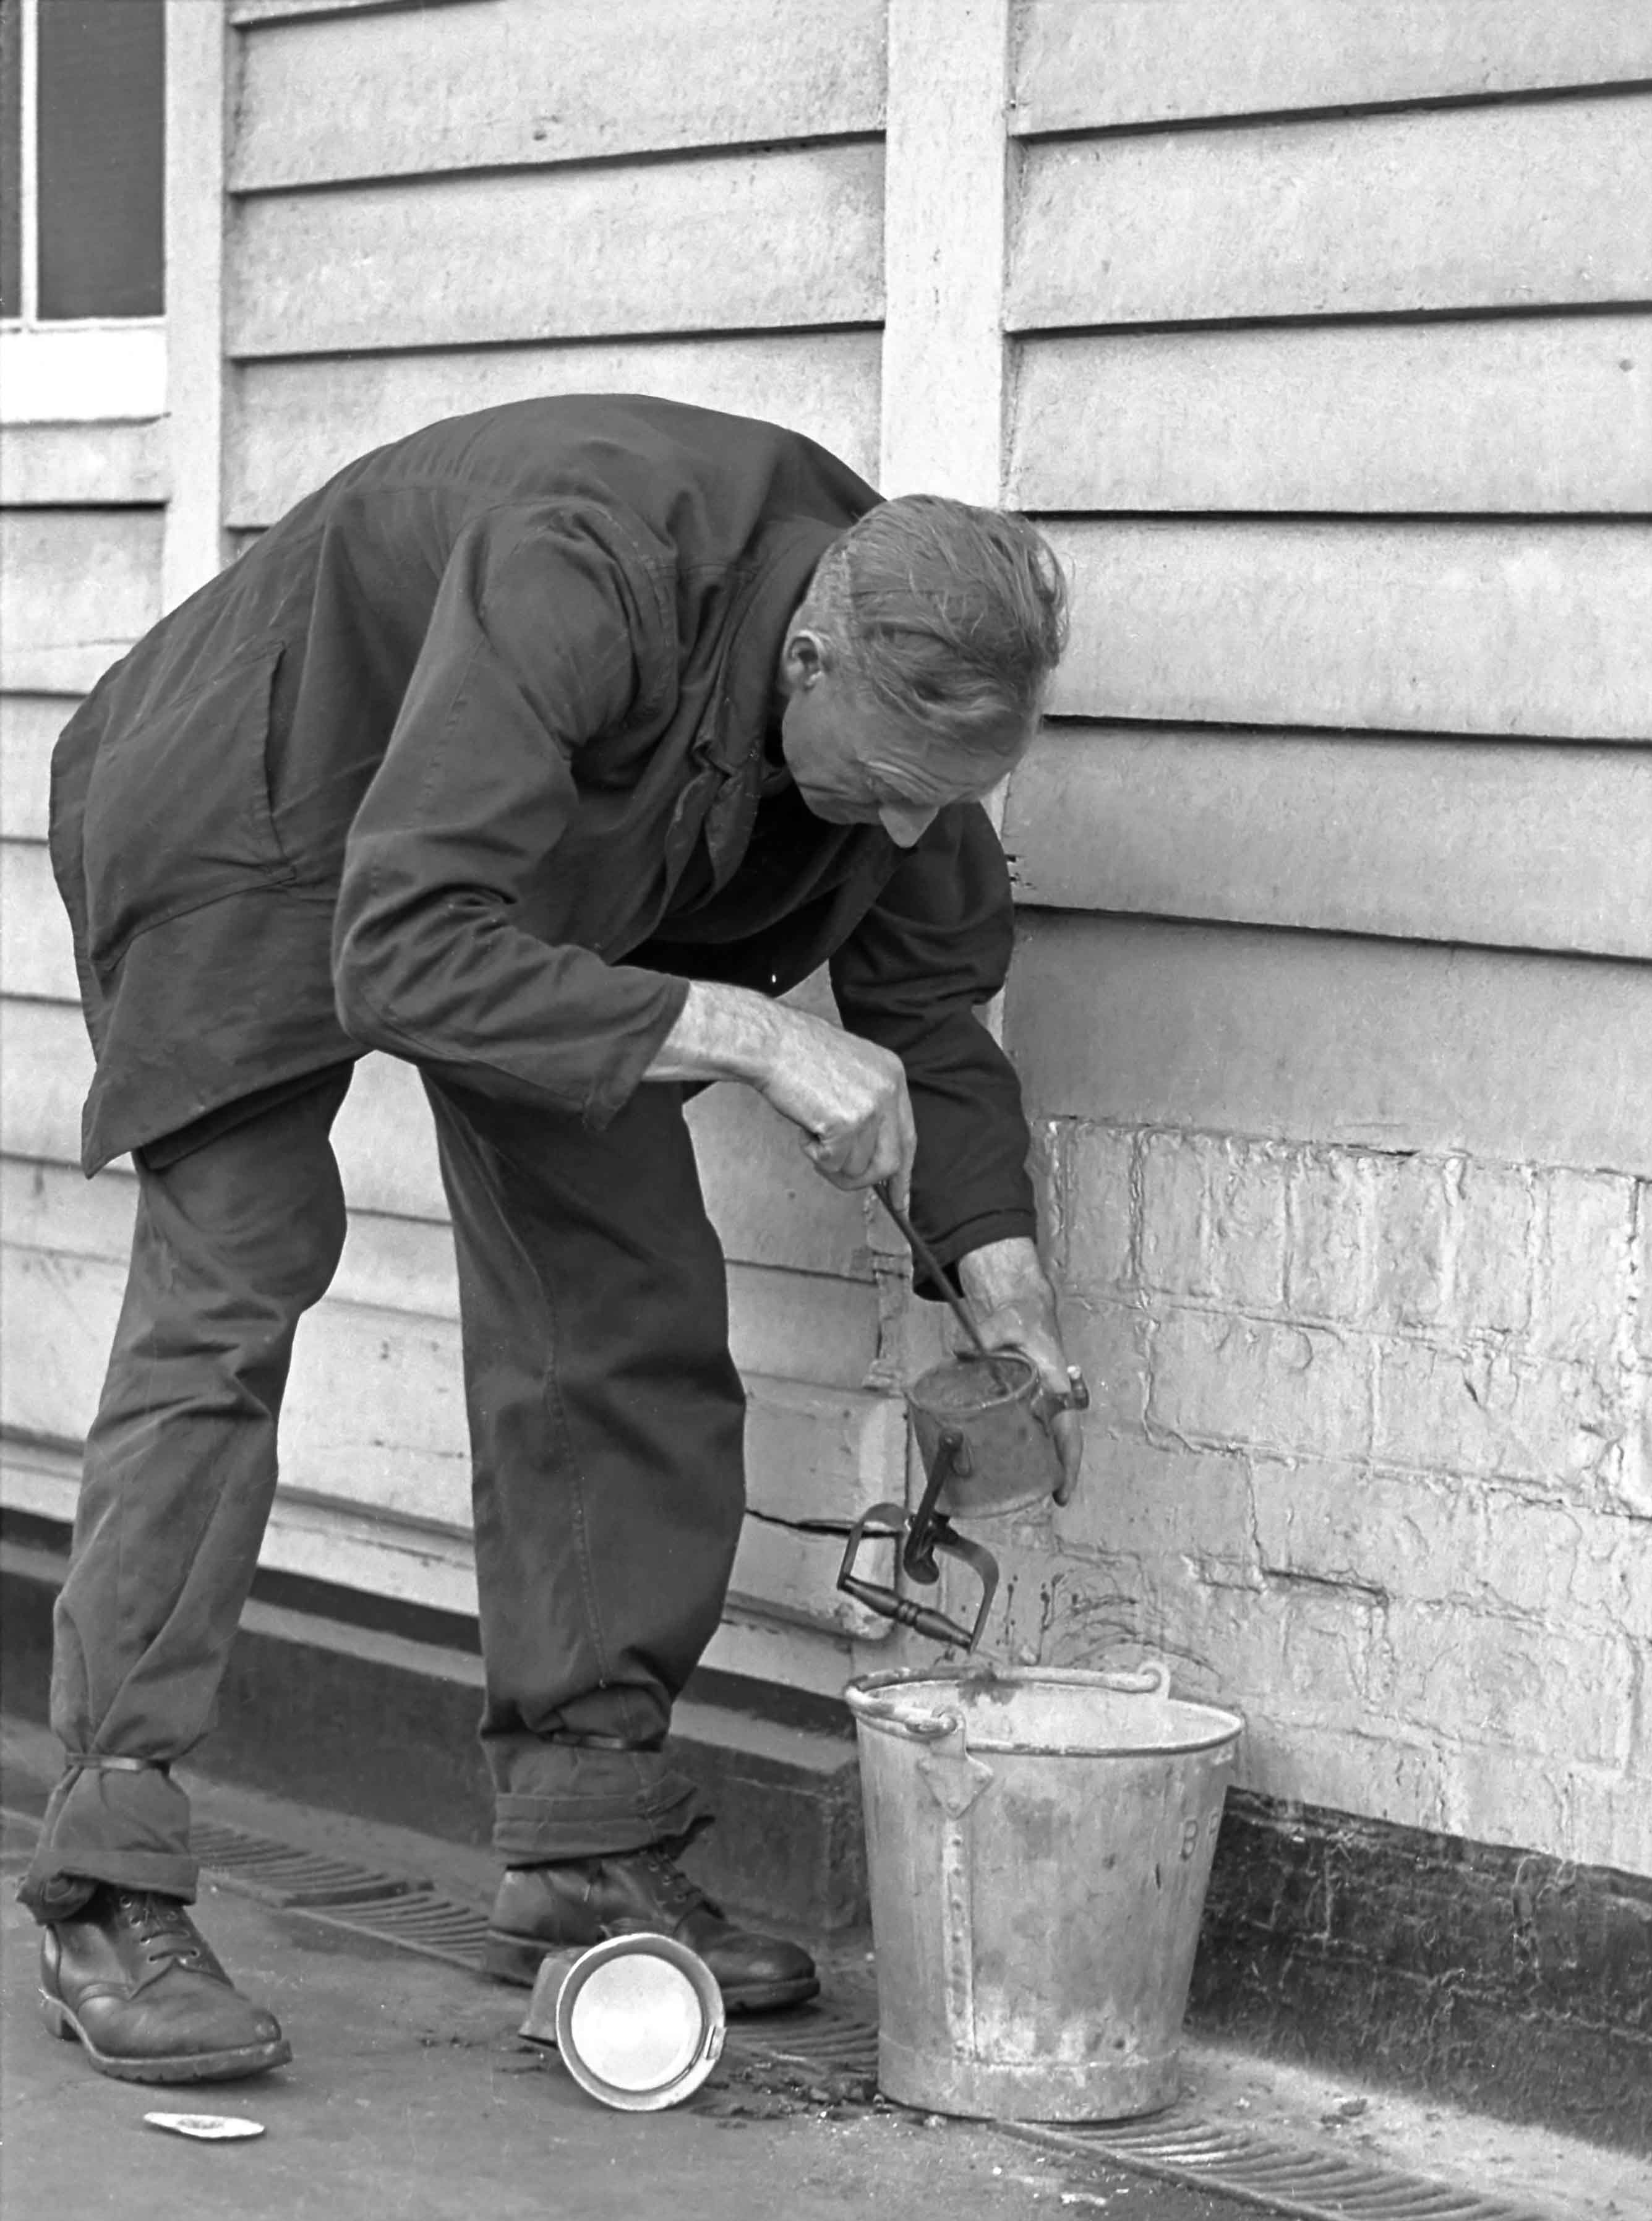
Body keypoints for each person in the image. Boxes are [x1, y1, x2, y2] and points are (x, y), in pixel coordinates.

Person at [22, 395, 1082, 2086]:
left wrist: (999, 1273)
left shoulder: (915, 680)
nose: (895, 833)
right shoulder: (587, 569)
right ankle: (107, 1874)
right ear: (810, 660)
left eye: (934, 805)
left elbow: (933, 1008)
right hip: (255, 810)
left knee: (622, 1295)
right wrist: (747, 1035)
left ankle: (584, 1839)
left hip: (523, 876)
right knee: (236, 1284)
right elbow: (404, 948)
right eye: (881, 789)